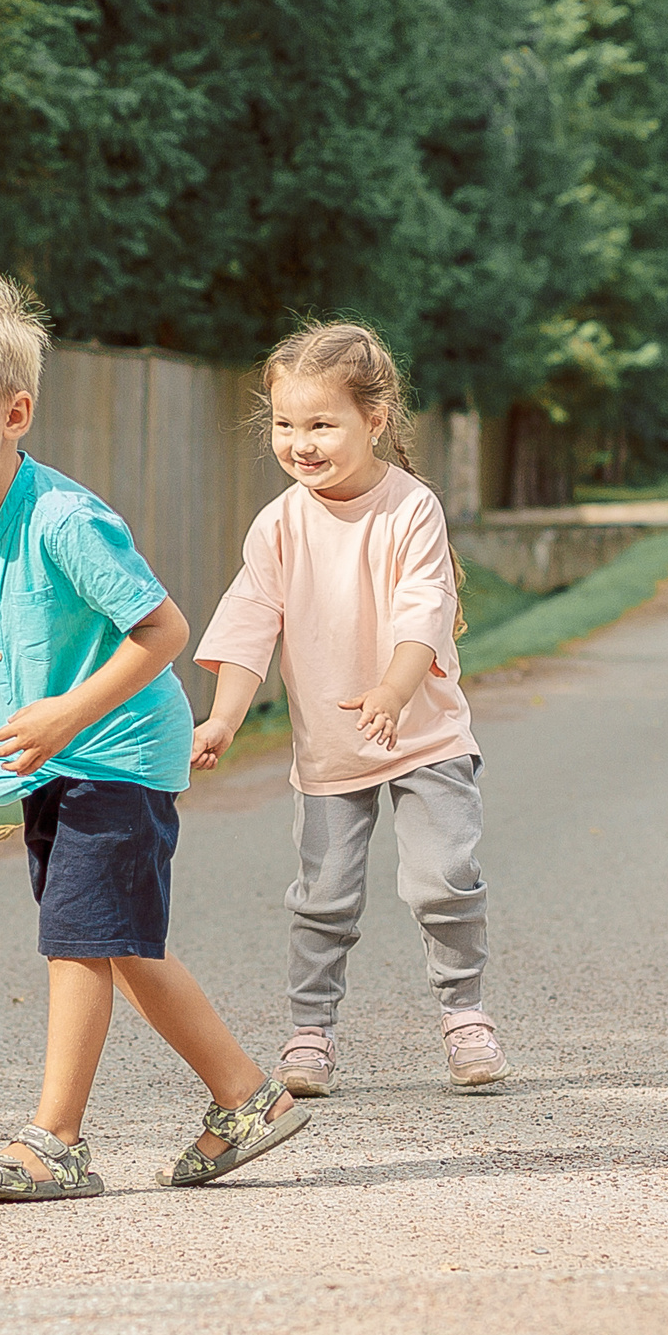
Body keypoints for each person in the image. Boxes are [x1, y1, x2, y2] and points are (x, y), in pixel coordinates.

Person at [0, 273, 306, 1202]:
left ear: (14, 411)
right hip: (49, 755)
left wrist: (64, 716)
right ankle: (248, 1099)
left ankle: (55, 1142)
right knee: (121, 945)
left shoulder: (66, 521)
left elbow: (164, 631)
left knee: (77, 937)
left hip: (117, 749)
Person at [191, 320, 508, 1099]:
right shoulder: (278, 525)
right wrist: (225, 717)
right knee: (323, 896)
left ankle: (465, 1012)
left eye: (321, 424)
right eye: (286, 424)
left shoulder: (410, 509)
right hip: (331, 749)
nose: (301, 442)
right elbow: (249, 623)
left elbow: (423, 609)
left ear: (375, 419)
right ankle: (311, 1029)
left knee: (442, 878)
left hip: (422, 732)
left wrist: (394, 691)